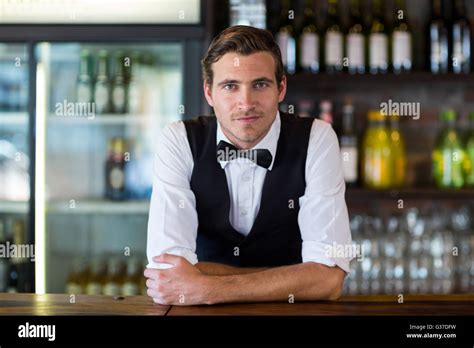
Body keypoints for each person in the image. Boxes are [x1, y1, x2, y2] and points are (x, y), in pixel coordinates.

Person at [144, 25, 353, 305]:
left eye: (260, 84)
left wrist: (207, 288)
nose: (246, 103)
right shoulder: (179, 140)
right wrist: (297, 277)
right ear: (209, 93)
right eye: (230, 86)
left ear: (281, 88)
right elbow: (167, 274)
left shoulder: (317, 137)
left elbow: (328, 281)